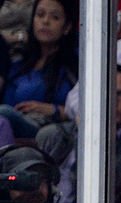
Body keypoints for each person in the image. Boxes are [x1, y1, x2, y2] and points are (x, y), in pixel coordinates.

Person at [35, 64, 121, 203]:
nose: (113, 100)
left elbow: (106, 184)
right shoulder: (56, 135)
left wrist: (90, 136)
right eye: (106, 92)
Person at [0, 0, 78, 139]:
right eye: (40, 15)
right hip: (15, 127)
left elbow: (85, 110)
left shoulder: (74, 67)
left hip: (53, 132)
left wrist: (54, 110)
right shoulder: (19, 64)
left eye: (55, 17)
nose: (45, 21)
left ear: (67, 27)